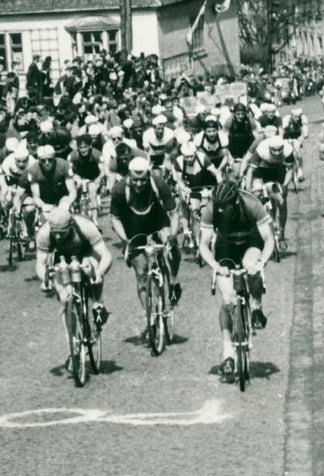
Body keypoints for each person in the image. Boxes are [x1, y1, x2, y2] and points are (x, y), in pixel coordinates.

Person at [198, 179, 276, 378]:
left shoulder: (251, 203)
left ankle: (256, 306)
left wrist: (261, 263)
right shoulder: (211, 208)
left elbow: (269, 239)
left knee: (252, 268)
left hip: (251, 241)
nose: (222, 211)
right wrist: (216, 266)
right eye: (219, 208)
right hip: (226, 246)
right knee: (228, 298)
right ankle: (227, 351)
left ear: (235, 201)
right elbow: (204, 245)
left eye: (226, 207)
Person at [34, 199, 112, 367]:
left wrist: (100, 272)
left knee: (92, 269)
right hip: (62, 259)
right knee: (64, 300)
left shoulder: (85, 226)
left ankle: (98, 303)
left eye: (63, 232)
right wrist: (45, 279)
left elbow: (106, 255)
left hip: (86, 252)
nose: (59, 236)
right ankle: (73, 346)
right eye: (56, 233)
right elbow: (40, 264)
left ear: (70, 224)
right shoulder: (44, 233)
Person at [109, 156, 181, 320]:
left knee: (173, 248)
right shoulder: (119, 189)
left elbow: (174, 213)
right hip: (133, 226)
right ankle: (149, 315)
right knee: (141, 273)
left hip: (157, 220)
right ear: (129, 177)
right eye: (135, 180)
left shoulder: (158, 183)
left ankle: (174, 280)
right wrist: (125, 241)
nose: (139, 184)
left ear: (149, 175)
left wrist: (172, 236)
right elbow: (115, 218)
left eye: (143, 180)